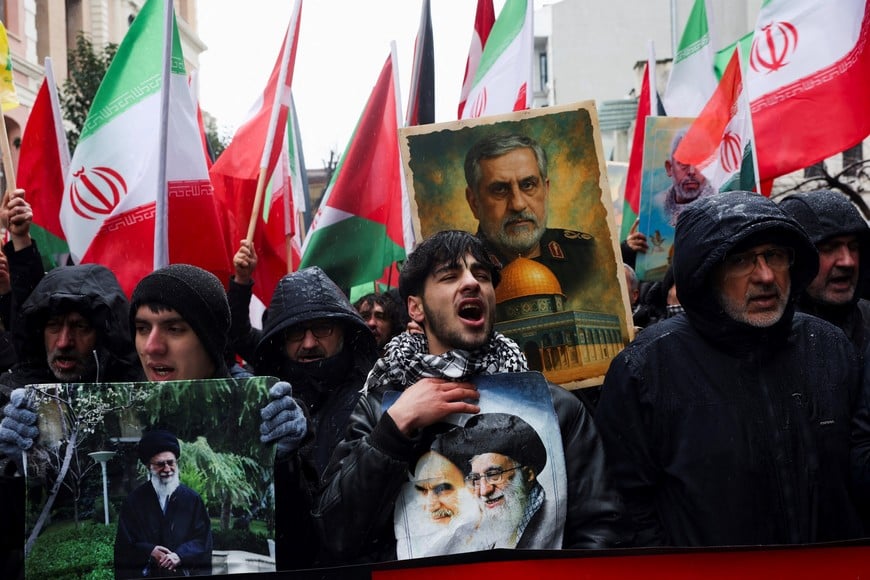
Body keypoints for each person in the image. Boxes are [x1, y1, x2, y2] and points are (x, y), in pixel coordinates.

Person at [313, 230, 622, 563]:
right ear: (416, 308)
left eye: (482, 275)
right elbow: (335, 535)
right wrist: (393, 432)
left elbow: (600, 529)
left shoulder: (553, 408)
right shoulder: (380, 409)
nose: (472, 283)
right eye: (450, 276)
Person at [596, 191, 864, 547]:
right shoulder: (646, 369)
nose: (766, 276)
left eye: (775, 256)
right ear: (705, 272)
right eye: (741, 260)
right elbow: (627, 508)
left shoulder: (829, 348)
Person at [256, 265, 378, 569]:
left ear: (344, 332)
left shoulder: (374, 398)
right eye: (296, 332)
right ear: (281, 340)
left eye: (322, 328)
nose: (309, 343)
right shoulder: (263, 406)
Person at [464, 133, 595, 297]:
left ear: (546, 190)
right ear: (474, 202)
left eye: (527, 185)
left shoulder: (589, 254)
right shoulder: (458, 271)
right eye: (500, 189)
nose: (518, 204)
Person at [437, 413, 548, 549]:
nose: (484, 491)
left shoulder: (558, 520)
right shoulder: (464, 535)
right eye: (475, 479)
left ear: (528, 474)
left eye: (494, 475)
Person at [779, 190, 870, 354]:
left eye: (853, 247)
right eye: (829, 248)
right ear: (793, 259)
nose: (847, 262)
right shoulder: (766, 337)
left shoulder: (867, 318)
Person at [114, 429, 213, 578]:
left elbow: (203, 539)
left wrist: (180, 555)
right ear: (149, 466)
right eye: (160, 464)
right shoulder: (133, 502)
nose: (167, 469)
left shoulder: (192, 499)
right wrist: (150, 551)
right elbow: (125, 546)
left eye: (170, 462)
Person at [130, 264, 234, 382]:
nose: (151, 347)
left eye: (174, 329)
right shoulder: (119, 398)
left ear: (211, 341)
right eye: (143, 329)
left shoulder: (250, 400)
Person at [653, 129, 715, 225]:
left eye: (699, 162)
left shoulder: (719, 207)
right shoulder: (656, 205)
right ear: (670, 168)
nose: (691, 171)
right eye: (683, 162)